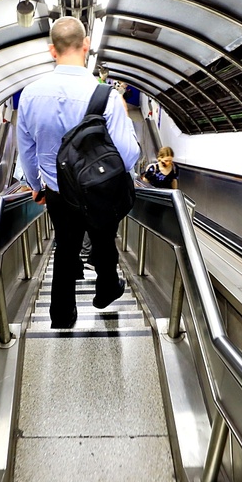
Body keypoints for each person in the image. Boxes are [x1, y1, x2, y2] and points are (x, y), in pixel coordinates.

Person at [17, 16, 141, 328]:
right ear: (86, 45)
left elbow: (26, 150)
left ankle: (62, 314)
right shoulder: (106, 95)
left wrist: (36, 184)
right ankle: (106, 288)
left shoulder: (30, 94)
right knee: (103, 237)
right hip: (99, 188)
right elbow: (128, 155)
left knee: (66, 245)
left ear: (51, 50)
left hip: (58, 191)